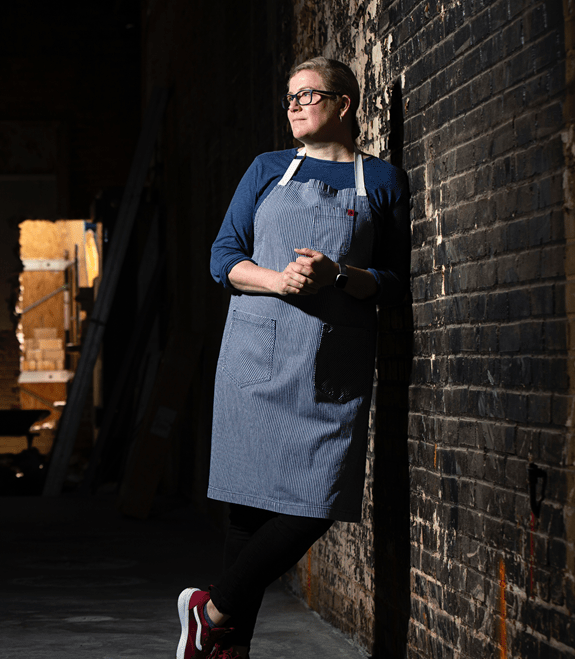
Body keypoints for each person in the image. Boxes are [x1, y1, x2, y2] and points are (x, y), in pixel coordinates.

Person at [175, 57, 411, 659]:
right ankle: (224, 648)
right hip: (256, 354)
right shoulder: (267, 169)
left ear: (345, 103)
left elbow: (394, 280)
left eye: (309, 94)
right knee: (248, 512)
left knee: (320, 500)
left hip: (330, 364)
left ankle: (212, 609)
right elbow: (223, 256)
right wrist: (277, 281)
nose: (296, 105)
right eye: (289, 98)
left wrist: (341, 275)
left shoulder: (381, 180)